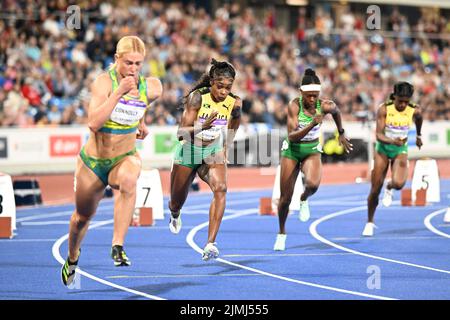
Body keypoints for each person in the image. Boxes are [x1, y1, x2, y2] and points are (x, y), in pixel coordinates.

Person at [61, 36, 163, 286]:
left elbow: (142, 103)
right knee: (81, 218)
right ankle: (73, 257)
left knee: (130, 179)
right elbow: (94, 123)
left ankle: (118, 245)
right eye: (128, 62)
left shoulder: (153, 87)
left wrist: (141, 122)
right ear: (117, 59)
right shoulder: (103, 83)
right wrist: (119, 92)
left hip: (123, 158)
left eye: (139, 64)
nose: (134, 69)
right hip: (93, 163)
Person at [168, 59, 241, 261]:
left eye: (228, 88)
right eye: (220, 87)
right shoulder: (197, 98)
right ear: (211, 82)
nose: (224, 92)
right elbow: (181, 134)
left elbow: (234, 124)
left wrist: (225, 146)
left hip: (212, 151)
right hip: (189, 150)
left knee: (221, 188)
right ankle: (175, 213)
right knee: (176, 201)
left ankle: (210, 243)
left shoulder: (235, 103)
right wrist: (203, 127)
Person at [273, 68, 353, 251]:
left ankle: (304, 199)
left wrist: (341, 133)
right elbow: (292, 136)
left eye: (315, 95)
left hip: (311, 150)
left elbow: (336, 111)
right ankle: (281, 233)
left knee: (313, 185)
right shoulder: (294, 106)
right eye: (308, 95)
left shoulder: (325, 105)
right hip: (292, 150)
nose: (311, 99)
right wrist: (312, 124)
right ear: (301, 93)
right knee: (285, 198)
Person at [363, 82, 423, 236]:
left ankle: (389, 187)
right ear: (394, 96)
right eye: (400, 100)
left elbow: (419, 119)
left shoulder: (414, 110)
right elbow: (378, 135)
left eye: (406, 101)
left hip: (400, 150)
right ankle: (370, 222)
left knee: (399, 183)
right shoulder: (384, 109)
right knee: (375, 189)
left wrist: (418, 135)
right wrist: (392, 141)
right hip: (382, 149)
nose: (403, 104)